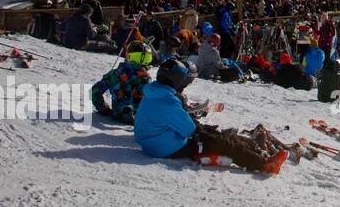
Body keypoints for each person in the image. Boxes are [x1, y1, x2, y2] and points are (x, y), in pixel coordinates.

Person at [134, 59, 287, 173]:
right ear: (177, 80)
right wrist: (202, 132)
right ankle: (264, 164)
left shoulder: (154, 92)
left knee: (211, 133)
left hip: (153, 142)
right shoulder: (167, 100)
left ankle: (256, 150)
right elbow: (189, 129)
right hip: (165, 148)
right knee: (220, 141)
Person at [89, 42, 153, 123]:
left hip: (118, 114)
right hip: (137, 118)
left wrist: (103, 109)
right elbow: (152, 98)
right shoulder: (143, 77)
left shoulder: (115, 73)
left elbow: (94, 92)